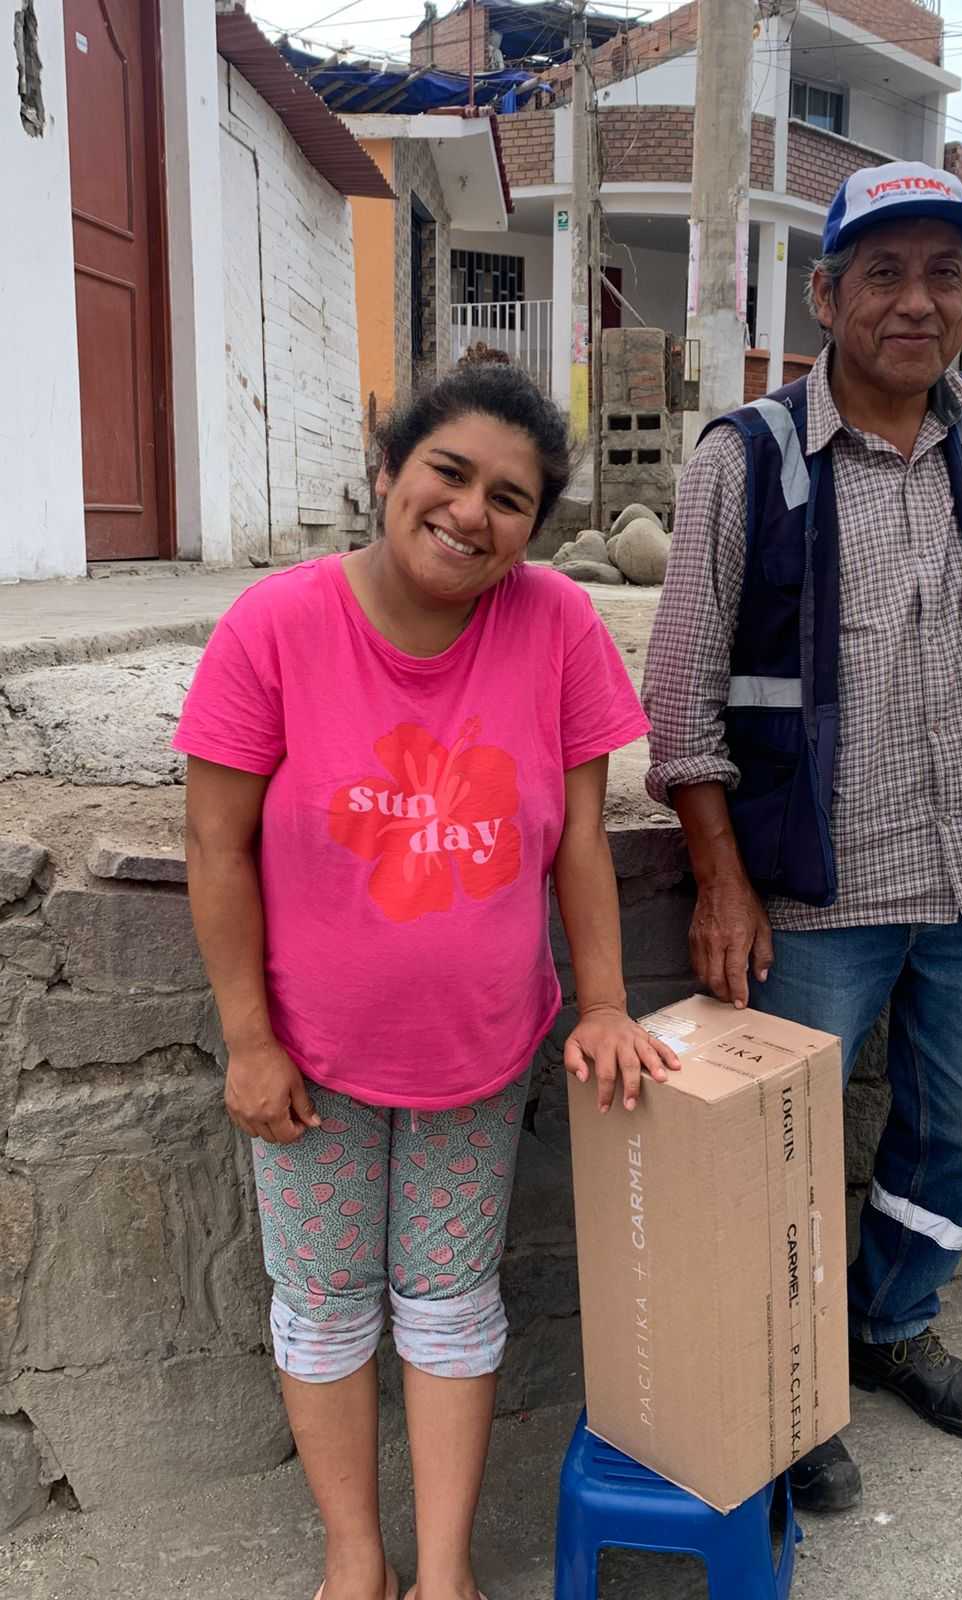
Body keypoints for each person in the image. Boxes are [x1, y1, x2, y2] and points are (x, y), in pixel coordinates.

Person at [643, 161, 962, 1515]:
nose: (918, 302)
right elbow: (680, 695)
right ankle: (789, 1385)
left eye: (944, 275)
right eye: (884, 274)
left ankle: (892, 1325)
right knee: (780, 1160)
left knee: (961, 1133)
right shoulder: (746, 458)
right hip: (815, 892)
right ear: (825, 295)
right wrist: (721, 883)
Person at [176, 360, 677, 1600]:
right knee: (323, 1302)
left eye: (510, 498)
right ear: (388, 468)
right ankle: (355, 1555)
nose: (470, 512)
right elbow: (216, 848)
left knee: (451, 1301)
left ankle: (443, 1570)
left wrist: (604, 1001)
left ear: (536, 527)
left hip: (481, 1051)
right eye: (448, 472)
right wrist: (249, 1041)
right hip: (311, 1061)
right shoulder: (274, 627)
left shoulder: (556, 626)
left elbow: (579, 841)